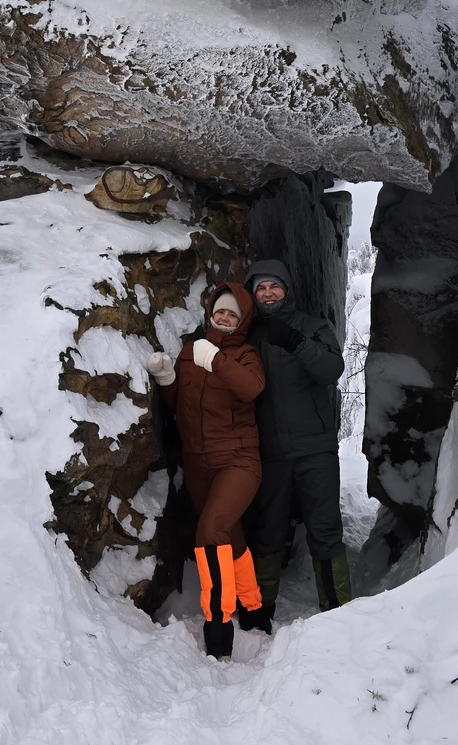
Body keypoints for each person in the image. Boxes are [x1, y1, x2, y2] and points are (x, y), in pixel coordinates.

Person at [146, 281, 265, 659]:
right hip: (198, 462)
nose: (225, 316)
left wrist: (215, 359)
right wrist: (166, 379)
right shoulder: (187, 353)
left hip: (239, 460)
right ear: (211, 312)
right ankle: (253, 609)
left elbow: (251, 389)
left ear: (242, 319)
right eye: (220, 311)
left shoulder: (246, 355)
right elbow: (178, 403)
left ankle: (218, 628)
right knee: (231, 534)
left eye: (233, 312)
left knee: (211, 531)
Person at [240, 258, 350, 632]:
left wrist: (298, 343)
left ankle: (338, 610)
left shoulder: (312, 326)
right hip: (270, 451)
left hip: (314, 447)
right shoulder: (249, 334)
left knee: (324, 528)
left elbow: (332, 370)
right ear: (253, 294)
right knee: (268, 530)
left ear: (286, 289)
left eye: (275, 286)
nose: (268, 294)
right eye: (261, 288)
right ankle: (259, 612)